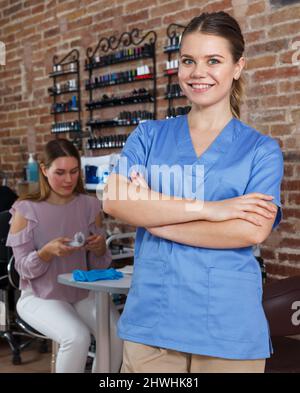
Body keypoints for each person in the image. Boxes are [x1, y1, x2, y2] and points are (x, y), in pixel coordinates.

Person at [103, 11, 284, 373]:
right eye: (188, 60)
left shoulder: (261, 150)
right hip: (153, 322)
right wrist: (214, 210)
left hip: (227, 327)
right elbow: (115, 200)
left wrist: (156, 221)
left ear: (237, 66)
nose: (197, 72)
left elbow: (249, 230)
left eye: (213, 60)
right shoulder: (148, 136)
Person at [6, 138, 123, 373]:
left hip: (82, 292)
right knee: (76, 337)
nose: (69, 180)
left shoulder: (90, 205)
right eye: (60, 172)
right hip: (40, 296)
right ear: (43, 169)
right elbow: (23, 270)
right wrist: (46, 253)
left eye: (74, 171)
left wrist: (100, 249)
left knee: (116, 334)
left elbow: (99, 266)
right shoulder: (25, 210)